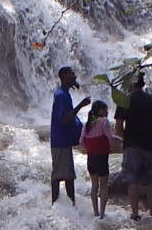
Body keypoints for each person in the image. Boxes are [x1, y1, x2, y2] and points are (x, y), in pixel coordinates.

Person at [116, 72, 152, 222]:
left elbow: (118, 127)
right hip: (150, 145)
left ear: (130, 84)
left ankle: (135, 213)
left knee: (132, 180)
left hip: (132, 145)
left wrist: (125, 140)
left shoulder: (124, 101)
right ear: (142, 84)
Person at [50, 66, 90, 205]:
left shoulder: (64, 94)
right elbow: (64, 119)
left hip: (63, 140)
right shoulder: (61, 95)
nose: (75, 77)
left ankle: (68, 205)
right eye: (72, 74)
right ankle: (58, 205)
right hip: (60, 141)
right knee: (60, 176)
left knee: (67, 175)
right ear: (64, 76)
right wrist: (81, 105)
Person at [80, 99, 120, 219]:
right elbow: (110, 136)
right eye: (106, 109)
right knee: (103, 186)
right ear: (101, 110)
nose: (108, 112)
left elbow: (81, 141)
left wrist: (88, 149)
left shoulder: (87, 124)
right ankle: (102, 214)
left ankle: (95, 212)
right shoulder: (104, 121)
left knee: (94, 186)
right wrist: (120, 140)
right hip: (102, 157)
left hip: (91, 158)